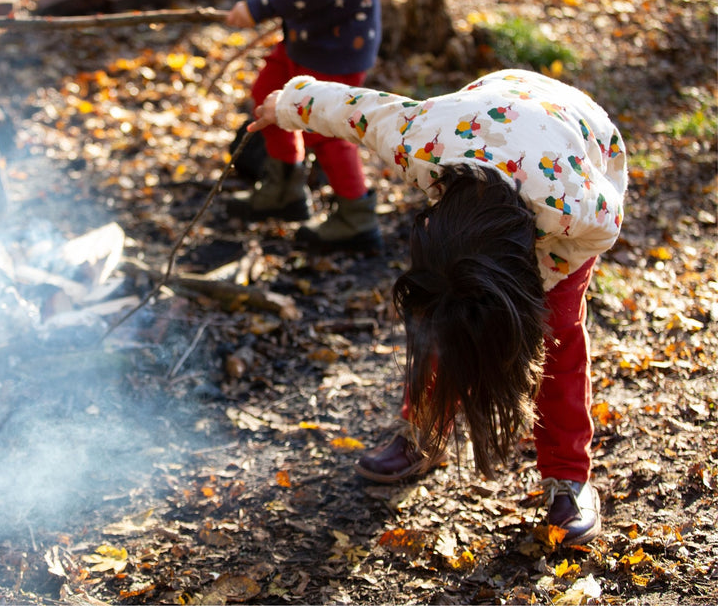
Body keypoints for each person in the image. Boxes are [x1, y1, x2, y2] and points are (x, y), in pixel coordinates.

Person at [247, 68, 628, 546]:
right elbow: (358, 109)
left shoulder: (577, 209)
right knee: (442, 315)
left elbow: (602, 232)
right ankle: (423, 431)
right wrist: (284, 106)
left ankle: (569, 477)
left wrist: (521, 312)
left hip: (576, 143)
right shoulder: (422, 142)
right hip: (479, 120)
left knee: (554, 336)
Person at [225, 0, 382, 253]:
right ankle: (285, 187)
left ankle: (356, 217)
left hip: (336, 43)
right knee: (268, 93)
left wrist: (261, 6)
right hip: (307, 34)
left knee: (324, 127)